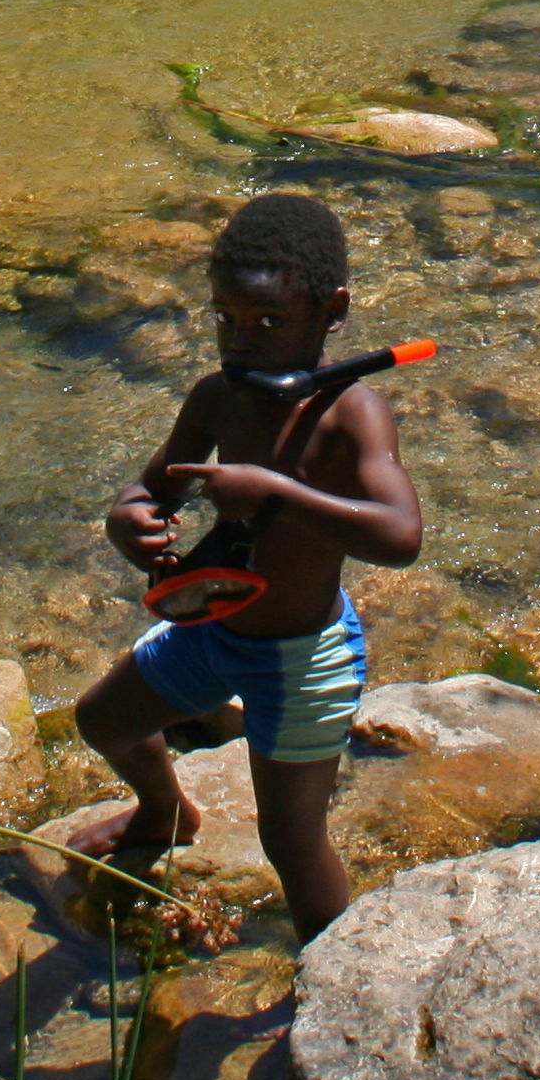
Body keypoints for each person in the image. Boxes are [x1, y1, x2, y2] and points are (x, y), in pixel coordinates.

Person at [72, 191, 421, 941]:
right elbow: (154, 483)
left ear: (333, 312)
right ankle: (165, 813)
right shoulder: (217, 399)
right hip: (214, 626)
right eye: (225, 319)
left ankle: (331, 976)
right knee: (102, 721)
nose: (243, 341)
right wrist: (128, 517)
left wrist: (279, 494)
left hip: (301, 658)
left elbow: (400, 536)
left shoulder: (352, 415)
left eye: (269, 323)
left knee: (289, 843)